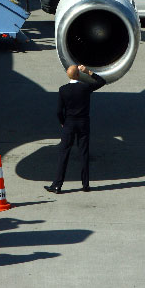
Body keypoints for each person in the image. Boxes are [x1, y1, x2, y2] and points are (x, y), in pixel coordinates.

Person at [45, 64, 106, 194]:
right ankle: (85, 184)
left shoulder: (63, 90)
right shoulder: (85, 87)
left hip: (69, 123)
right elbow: (102, 81)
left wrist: (63, 122)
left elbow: (58, 111)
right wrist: (88, 71)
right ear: (78, 75)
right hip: (83, 122)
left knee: (64, 153)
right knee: (84, 153)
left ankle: (57, 185)